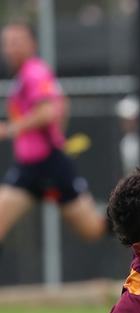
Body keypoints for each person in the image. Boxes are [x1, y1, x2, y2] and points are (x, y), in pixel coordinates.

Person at [0, 21, 107, 255]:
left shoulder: (34, 72)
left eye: (16, 42)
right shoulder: (25, 76)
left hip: (50, 165)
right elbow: (61, 104)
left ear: (32, 44)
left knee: (93, 230)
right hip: (29, 169)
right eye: (6, 43)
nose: (10, 48)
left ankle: (133, 218)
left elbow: (48, 111)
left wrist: (10, 129)